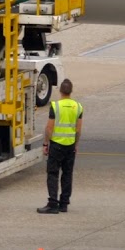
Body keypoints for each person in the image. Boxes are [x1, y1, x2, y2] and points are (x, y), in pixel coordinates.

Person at [38, 78, 83, 214]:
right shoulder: (78, 107)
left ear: (60, 91)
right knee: (67, 174)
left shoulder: (55, 106)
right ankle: (64, 203)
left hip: (56, 145)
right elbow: (78, 129)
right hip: (70, 146)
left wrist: (46, 143)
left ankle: (52, 203)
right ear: (71, 91)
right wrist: (76, 144)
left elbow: (49, 128)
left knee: (53, 174)